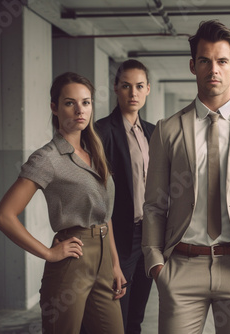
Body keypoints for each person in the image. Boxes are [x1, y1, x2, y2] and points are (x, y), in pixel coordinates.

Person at [142, 20, 230, 334]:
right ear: (193, 66)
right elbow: (154, 204)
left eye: (221, 61)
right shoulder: (168, 129)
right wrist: (154, 260)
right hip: (181, 266)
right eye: (205, 61)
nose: (214, 69)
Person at [0, 72, 126, 334]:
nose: (79, 110)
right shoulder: (47, 158)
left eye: (86, 102)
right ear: (54, 107)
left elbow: (103, 213)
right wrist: (48, 252)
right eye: (69, 103)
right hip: (72, 261)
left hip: (103, 260)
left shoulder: (95, 153)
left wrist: (115, 264)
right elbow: (4, 216)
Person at [93, 59, 154, 334]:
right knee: (117, 314)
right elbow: (98, 200)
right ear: (116, 88)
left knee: (136, 317)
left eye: (139, 86)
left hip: (150, 236)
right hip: (120, 237)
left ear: (148, 89)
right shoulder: (101, 132)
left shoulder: (154, 132)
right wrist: (114, 259)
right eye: (126, 86)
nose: (133, 93)